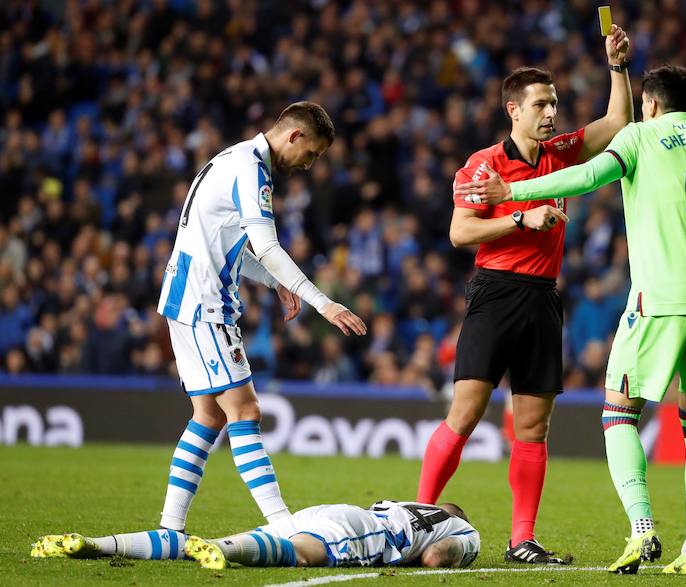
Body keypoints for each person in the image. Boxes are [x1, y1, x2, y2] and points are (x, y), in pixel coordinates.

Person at [456, 64, 686, 574]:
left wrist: (512, 194)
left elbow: (586, 174)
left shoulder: (640, 138)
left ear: (652, 105)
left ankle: (642, 530)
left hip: (658, 298)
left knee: (619, 413)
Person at [415, 25, 632, 565]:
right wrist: (519, 217)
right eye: (540, 104)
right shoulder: (483, 164)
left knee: (534, 426)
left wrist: (617, 66)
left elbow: (618, 123)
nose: (551, 113)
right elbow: (460, 233)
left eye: (554, 103)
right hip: (496, 292)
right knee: (465, 413)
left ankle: (522, 540)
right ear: (513, 109)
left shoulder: (560, 152)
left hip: (542, 298)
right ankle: (415, 517)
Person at [155, 102, 367, 535]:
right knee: (245, 410)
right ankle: (283, 526)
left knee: (209, 417)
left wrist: (274, 283)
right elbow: (267, 247)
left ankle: (171, 527)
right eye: (312, 154)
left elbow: (225, 244)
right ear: (294, 136)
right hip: (203, 304)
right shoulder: (251, 169)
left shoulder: (231, 159)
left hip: (186, 297)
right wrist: (323, 303)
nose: (309, 165)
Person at [31, 501, 479, 569]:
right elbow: (436, 557)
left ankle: (99, 544)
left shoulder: (412, 502)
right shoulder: (465, 529)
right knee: (300, 555)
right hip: (366, 533)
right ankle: (223, 550)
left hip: (331, 509)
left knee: (192, 542)